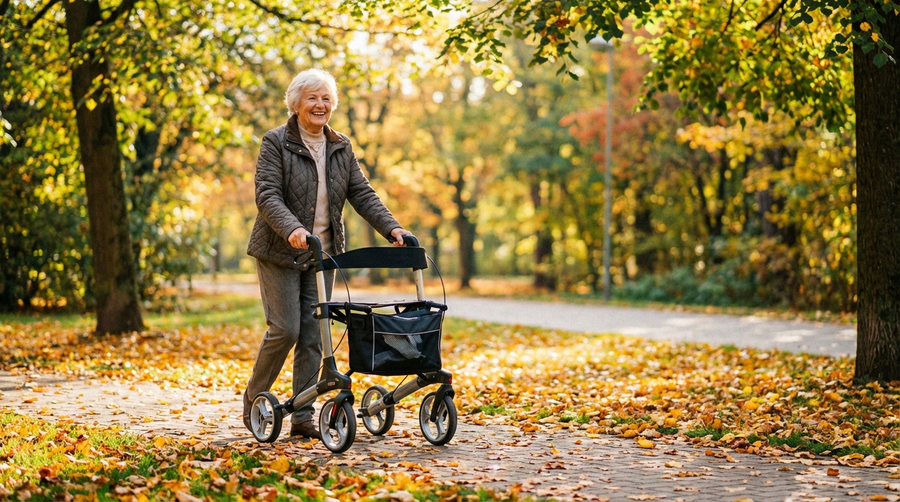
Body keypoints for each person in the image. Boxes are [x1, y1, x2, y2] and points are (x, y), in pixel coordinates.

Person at [243, 68, 412, 440]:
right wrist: (293, 230)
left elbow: (362, 193)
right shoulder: (275, 142)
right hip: (279, 250)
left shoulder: (340, 145)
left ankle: (302, 414)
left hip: (324, 253)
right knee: (285, 329)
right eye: (312, 98)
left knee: (314, 335)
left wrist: (393, 228)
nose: (320, 105)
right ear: (296, 103)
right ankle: (255, 399)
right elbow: (267, 195)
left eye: (326, 99)